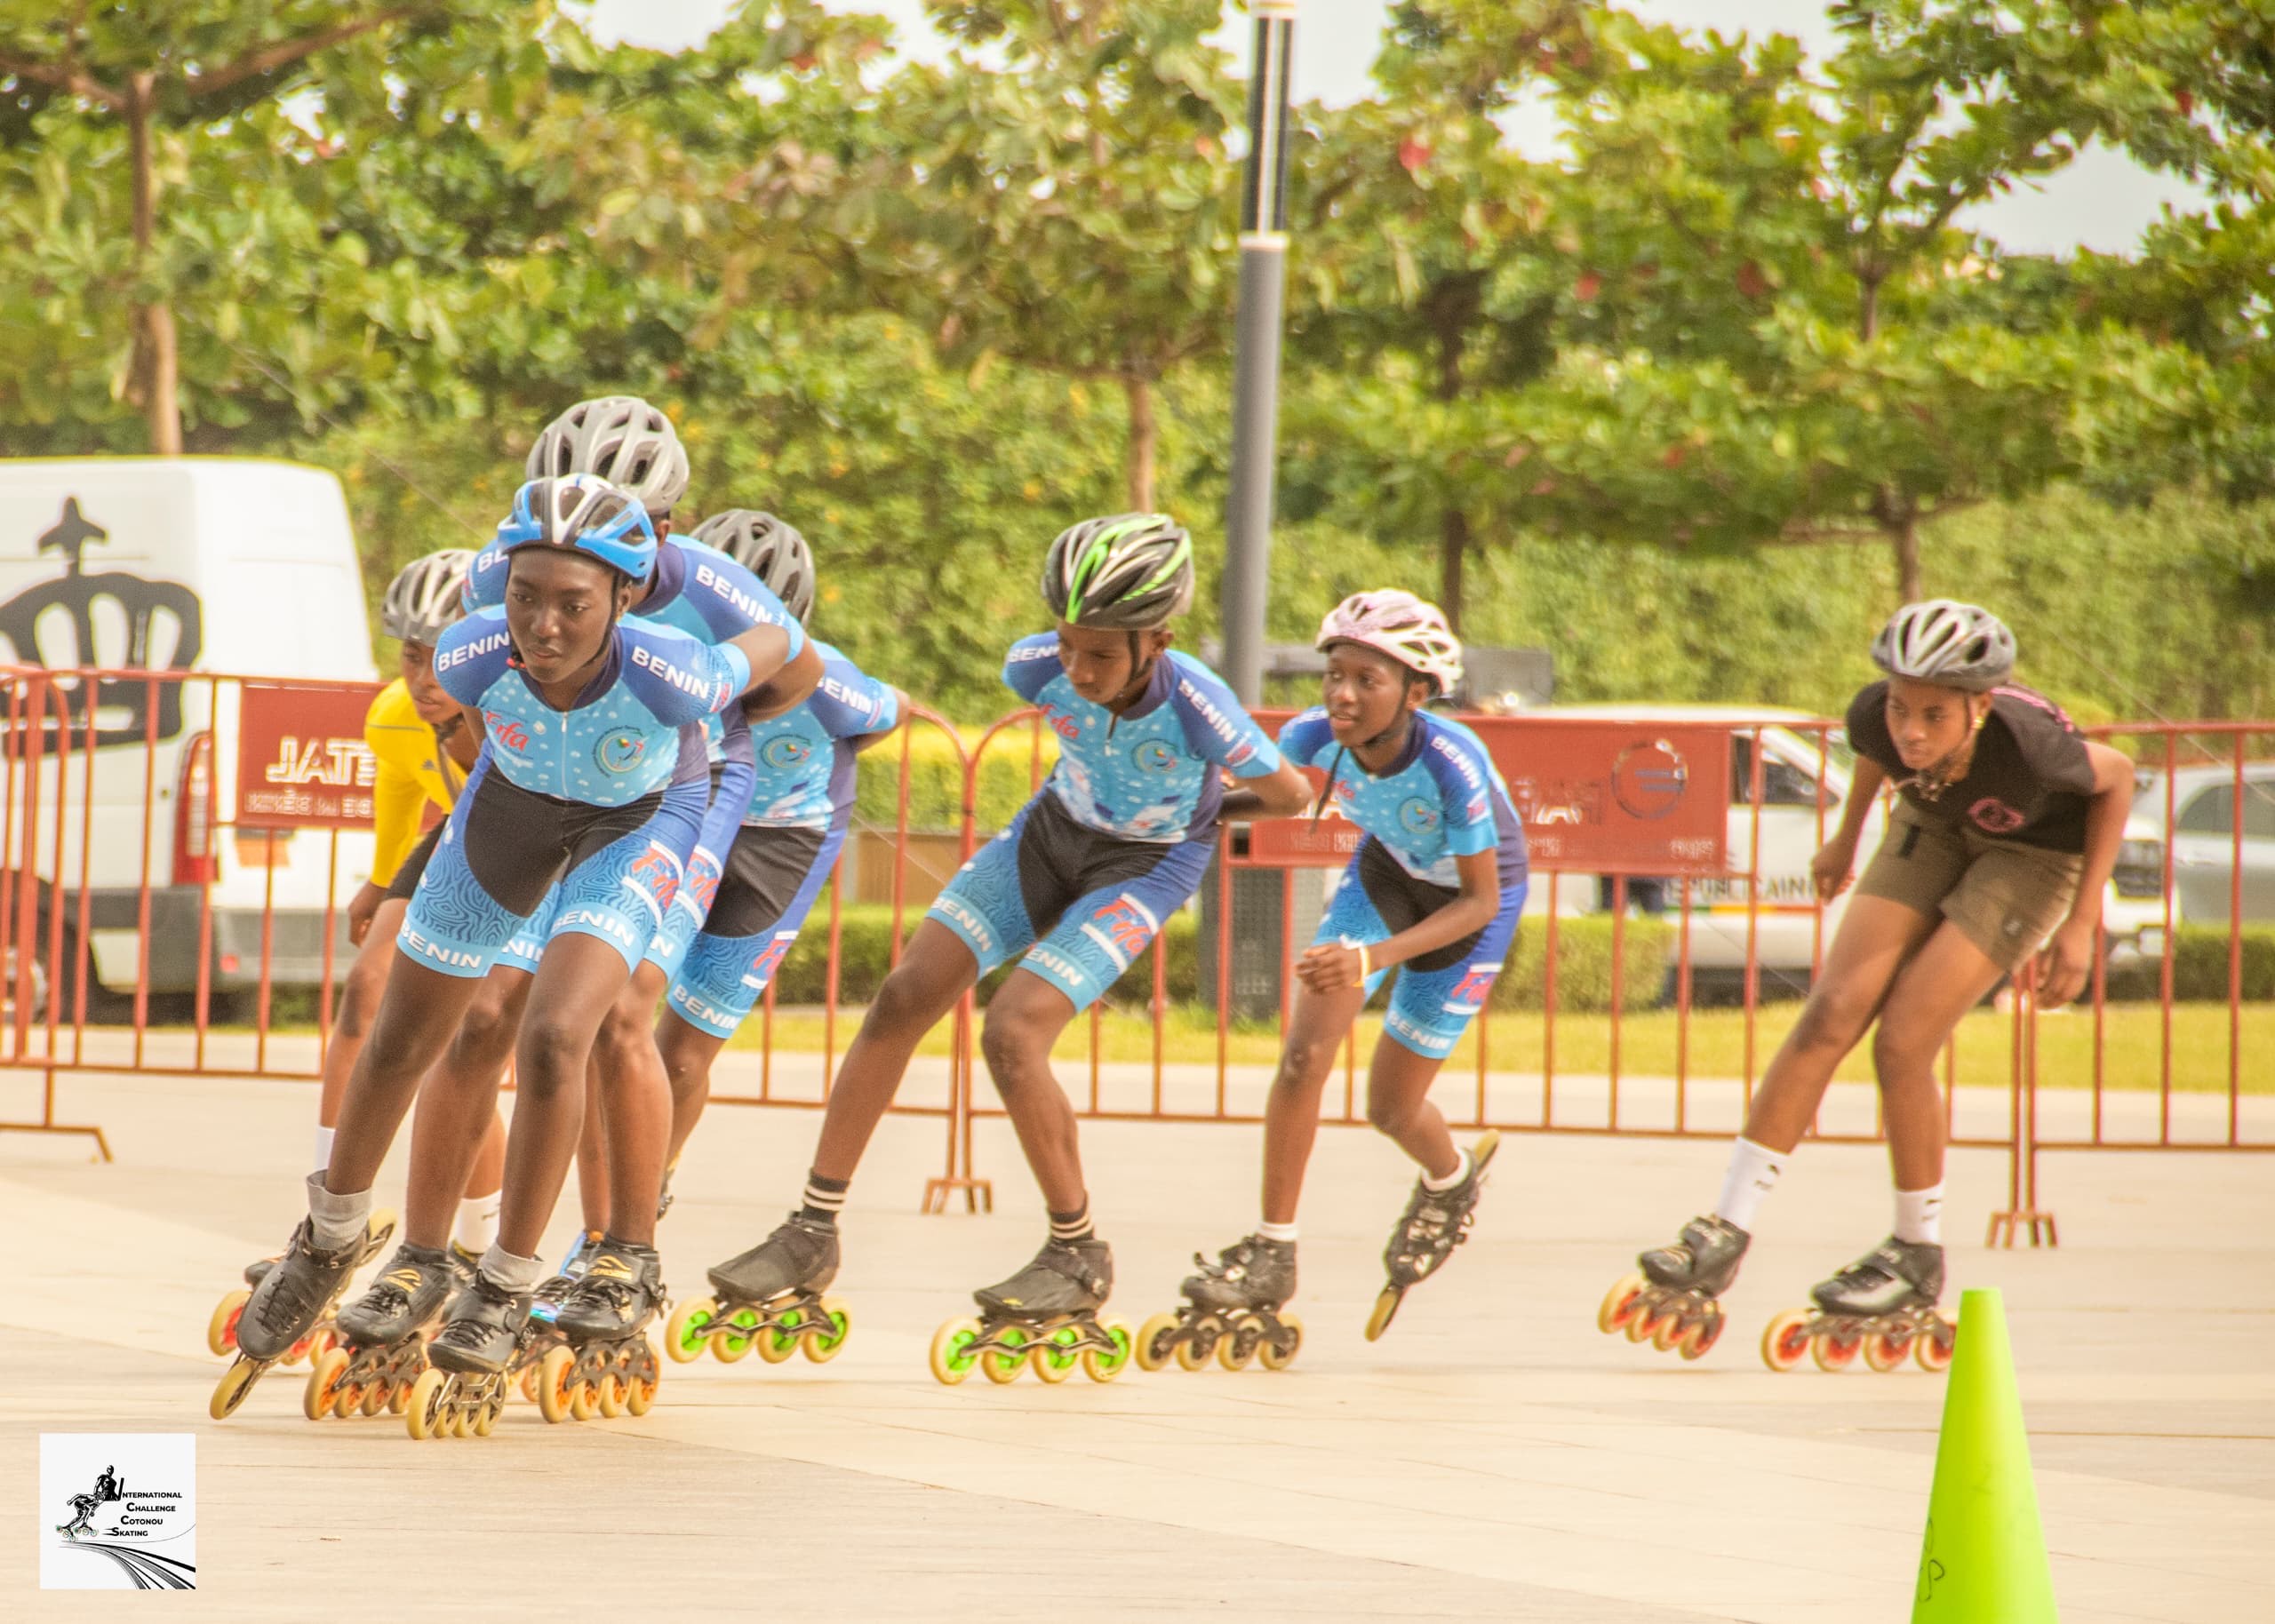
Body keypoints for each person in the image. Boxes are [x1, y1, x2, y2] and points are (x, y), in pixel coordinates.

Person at [212, 474, 804, 1418]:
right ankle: (327, 1240)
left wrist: (768, 639)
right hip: (517, 806)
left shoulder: (674, 671)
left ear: (623, 596)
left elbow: (780, 643)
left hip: (639, 821)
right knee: (406, 1034)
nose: (544, 627)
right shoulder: (471, 652)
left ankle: (506, 1281)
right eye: (526, 597)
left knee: (557, 1034)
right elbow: (485, 735)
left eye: (573, 604)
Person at [699, 513, 1312, 1381]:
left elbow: (1289, 795)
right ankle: (811, 1230)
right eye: (1068, 645)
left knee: (1013, 1032)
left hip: (1143, 868)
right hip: (1049, 835)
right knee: (903, 996)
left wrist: (1201, 815)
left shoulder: (1199, 702)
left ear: (1158, 643)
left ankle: (1076, 1251)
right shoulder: (1035, 666)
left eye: (1101, 655)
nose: (1077, 670)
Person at [1607, 601, 2134, 1367]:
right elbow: (1876, 753)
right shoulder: (1877, 719)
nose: (1911, 731)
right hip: (1931, 822)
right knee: (1830, 1012)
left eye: (1934, 715)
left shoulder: (2030, 744)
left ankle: (1916, 1252)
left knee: (1903, 1042)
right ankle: (1724, 1231)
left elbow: (2117, 782)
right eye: (1900, 708)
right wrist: (1846, 835)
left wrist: (2083, 923)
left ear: (1979, 708)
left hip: (2031, 857)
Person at [1148, 590, 1529, 1362]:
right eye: (1334, 675)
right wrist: (1184, 814)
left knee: (1390, 1109)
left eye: (1366, 680)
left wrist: (1369, 959)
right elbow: (1277, 799)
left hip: (1469, 908)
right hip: (1386, 877)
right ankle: (1272, 1248)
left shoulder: (1453, 762)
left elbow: (1480, 900)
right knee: (1303, 1056)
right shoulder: (1313, 736)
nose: (1342, 695)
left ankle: (1450, 1179)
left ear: (1416, 694)